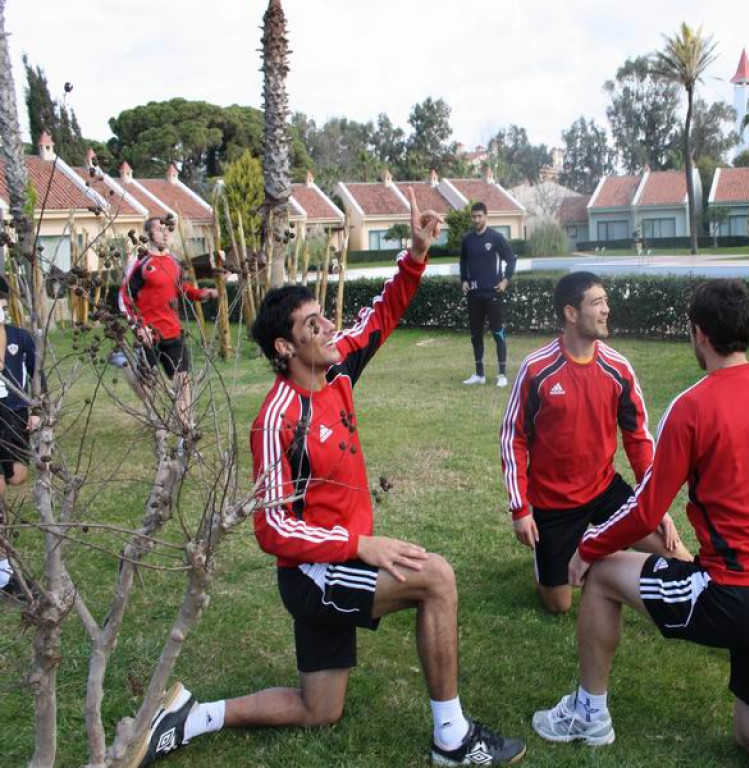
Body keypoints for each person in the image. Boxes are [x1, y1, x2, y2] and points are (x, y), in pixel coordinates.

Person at [135, 191, 525, 767]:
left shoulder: (336, 368)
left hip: (338, 560)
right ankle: (453, 738)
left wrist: (416, 254)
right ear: (285, 347)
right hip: (312, 574)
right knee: (436, 578)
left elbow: (381, 316)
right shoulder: (277, 418)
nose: (327, 327)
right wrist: (358, 544)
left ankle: (193, 716)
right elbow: (271, 529)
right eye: (311, 324)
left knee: (320, 709)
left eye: (323, 317)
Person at [531, 280, 749, 768]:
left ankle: (589, 715)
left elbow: (647, 510)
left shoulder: (691, 406)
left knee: (603, 574)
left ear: (699, 334)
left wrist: (588, 549)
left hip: (732, 595)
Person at [500, 271, 689, 615]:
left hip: (604, 490)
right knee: (559, 605)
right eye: (597, 302)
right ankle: (568, 555)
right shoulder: (537, 369)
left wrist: (654, 503)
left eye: (606, 301)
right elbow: (513, 437)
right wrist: (520, 509)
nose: (606, 310)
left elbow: (638, 439)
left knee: (675, 552)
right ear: (571, 313)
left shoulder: (618, 368)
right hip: (553, 504)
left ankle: (603, 553)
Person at [118, 216, 218, 428]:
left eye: (167, 230)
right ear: (148, 235)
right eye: (159, 229)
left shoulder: (174, 262)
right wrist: (138, 327)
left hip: (173, 332)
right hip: (148, 335)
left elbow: (181, 288)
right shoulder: (140, 263)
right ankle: (124, 364)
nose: (165, 233)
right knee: (148, 387)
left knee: (183, 381)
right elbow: (124, 298)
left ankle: (186, 429)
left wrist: (202, 294)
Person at [0, 288, 40, 600]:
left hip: (13, 416)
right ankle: (4, 576)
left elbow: (38, 375)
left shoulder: (19, 337)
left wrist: (36, 410)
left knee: (17, 477)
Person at [460, 202, 516, 388]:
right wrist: (464, 280)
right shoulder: (467, 240)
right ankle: (479, 374)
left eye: (479, 216)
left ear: (486, 216)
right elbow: (463, 262)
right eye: (474, 216)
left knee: (498, 334)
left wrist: (505, 280)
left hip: (493, 294)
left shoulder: (496, 238)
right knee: (476, 335)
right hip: (474, 295)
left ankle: (502, 375)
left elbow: (511, 259)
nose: (476, 220)